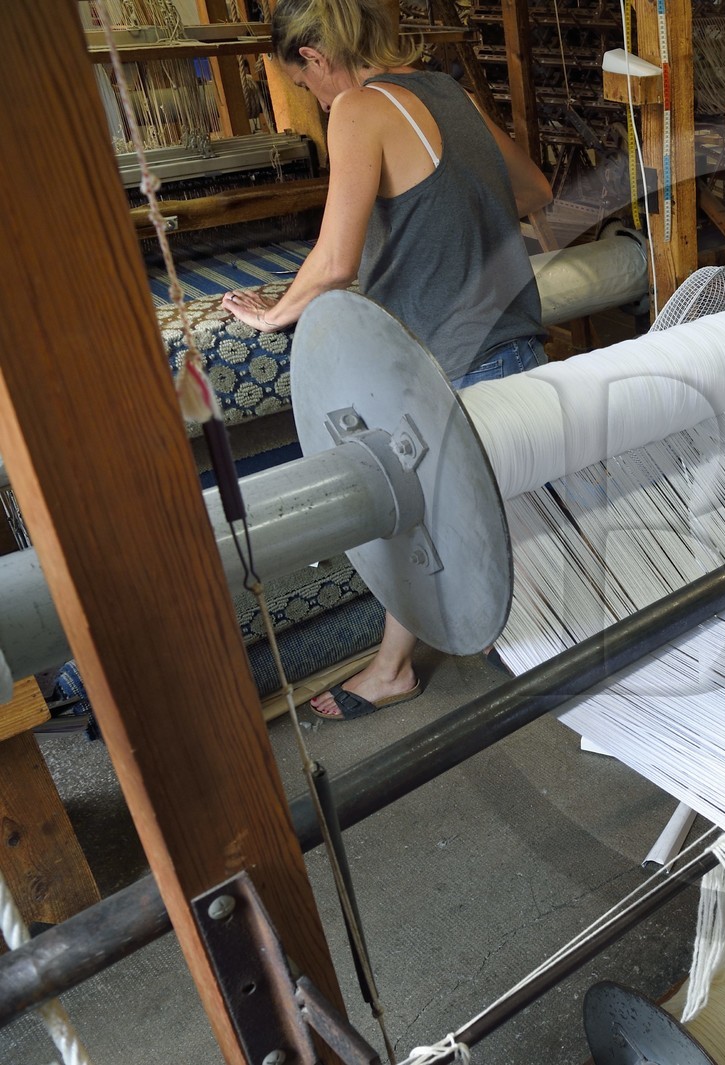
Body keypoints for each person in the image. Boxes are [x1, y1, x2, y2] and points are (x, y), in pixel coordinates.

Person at [222, 0, 554, 720]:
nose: (314, 100)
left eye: (305, 84)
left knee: (404, 508)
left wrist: (277, 312)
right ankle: (399, 662)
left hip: (451, 365)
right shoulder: (447, 91)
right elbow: (535, 192)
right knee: (471, 513)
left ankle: (394, 669)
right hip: (517, 346)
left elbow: (336, 260)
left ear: (315, 57)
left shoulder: (358, 110)